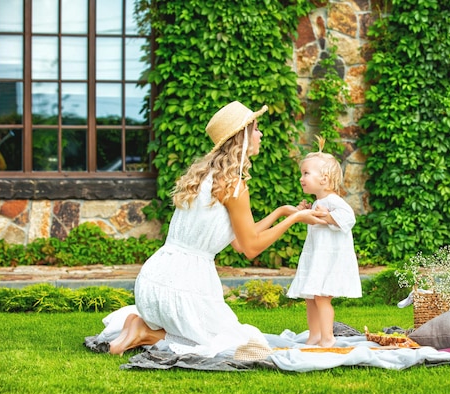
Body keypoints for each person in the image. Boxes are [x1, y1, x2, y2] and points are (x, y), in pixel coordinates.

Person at [107, 101, 327, 356]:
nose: (261, 134)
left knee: (228, 338)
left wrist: (282, 212)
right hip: (184, 288)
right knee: (236, 345)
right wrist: (296, 219)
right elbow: (250, 248)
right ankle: (145, 331)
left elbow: (239, 238)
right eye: (256, 129)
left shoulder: (206, 176)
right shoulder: (234, 185)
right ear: (242, 137)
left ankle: (142, 324)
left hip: (152, 281)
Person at [286, 138, 362, 347]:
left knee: (321, 298)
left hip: (328, 259)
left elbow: (349, 218)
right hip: (317, 257)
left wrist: (327, 216)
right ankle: (314, 335)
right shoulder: (320, 202)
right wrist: (307, 211)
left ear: (324, 178)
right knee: (310, 297)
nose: (301, 178)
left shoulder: (333, 201)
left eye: (306, 173)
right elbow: (316, 220)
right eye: (302, 173)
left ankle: (328, 337)